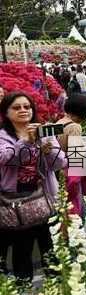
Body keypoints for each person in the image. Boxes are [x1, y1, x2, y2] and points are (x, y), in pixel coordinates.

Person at [0, 92, 67, 279]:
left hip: (41, 198)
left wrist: (48, 149)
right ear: (6, 113)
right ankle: (26, 293)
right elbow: (6, 158)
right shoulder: (3, 136)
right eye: (16, 107)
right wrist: (27, 142)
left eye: (27, 107)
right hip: (13, 205)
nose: (23, 110)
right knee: (22, 251)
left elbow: (60, 163)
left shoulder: (43, 132)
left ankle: (59, 292)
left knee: (49, 249)